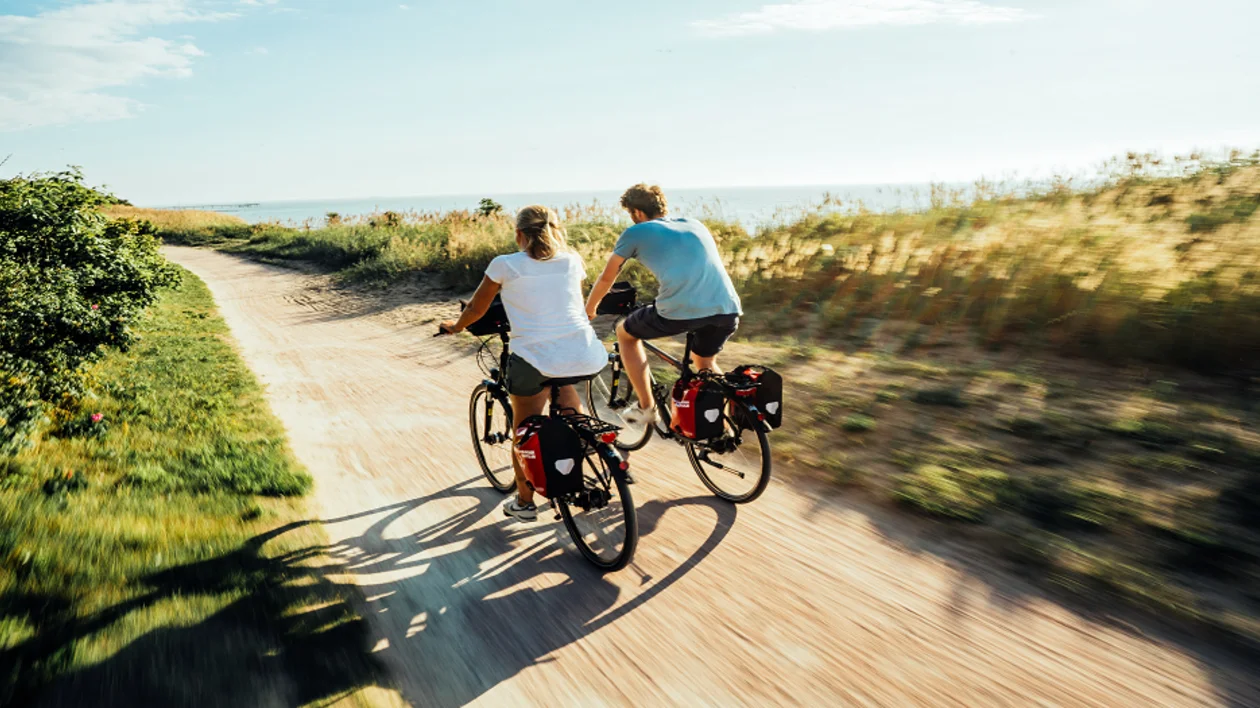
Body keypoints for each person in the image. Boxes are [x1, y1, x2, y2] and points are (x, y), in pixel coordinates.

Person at [441, 205, 607, 521]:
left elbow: (476, 308)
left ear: (519, 234)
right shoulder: (572, 261)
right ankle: (588, 445)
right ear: (555, 230)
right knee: (566, 395)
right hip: (584, 353)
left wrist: (456, 326)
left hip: (534, 358)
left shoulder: (505, 264)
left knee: (525, 430)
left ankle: (525, 503)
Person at [584, 184, 742, 427]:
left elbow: (607, 278)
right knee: (705, 363)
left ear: (637, 212)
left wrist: (590, 308)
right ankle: (729, 424)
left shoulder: (636, 232)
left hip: (680, 309)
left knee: (625, 333)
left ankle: (647, 408)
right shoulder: (695, 224)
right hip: (727, 307)